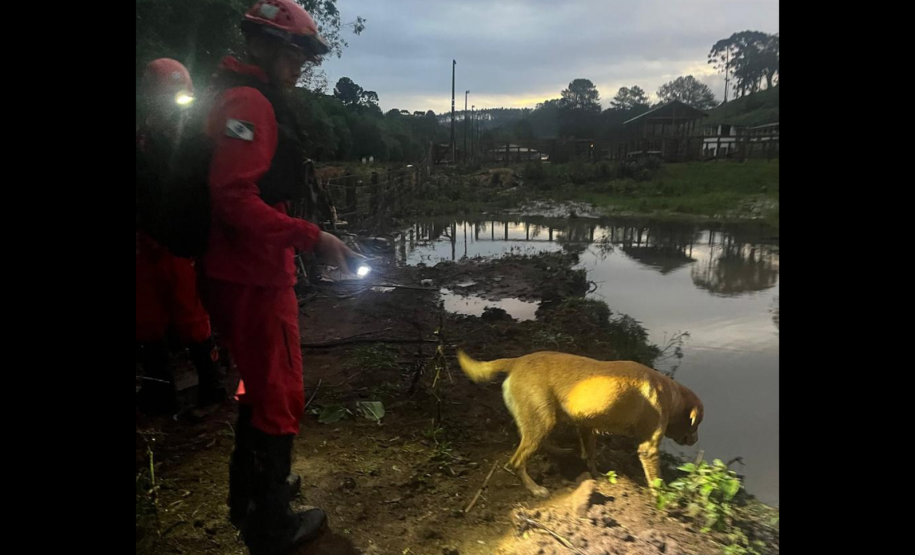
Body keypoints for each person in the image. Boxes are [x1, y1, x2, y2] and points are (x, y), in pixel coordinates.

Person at [199, 1, 364, 553]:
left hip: (245, 272)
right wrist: (311, 237)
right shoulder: (247, 102)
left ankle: (253, 493)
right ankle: (269, 523)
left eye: (304, 58)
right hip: (251, 278)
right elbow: (233, 198)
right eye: (294, 54)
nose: (300, 67)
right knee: (278, 392)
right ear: (264, 48)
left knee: (259, 387)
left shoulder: (242, 97)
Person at [136, 58, 226, 415]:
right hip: (146, 240)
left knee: (190, 313)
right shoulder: (143, 137)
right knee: (145, 318)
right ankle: (160, 391)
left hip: (179, 241)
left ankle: (212, 385)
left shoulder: (197, 137)